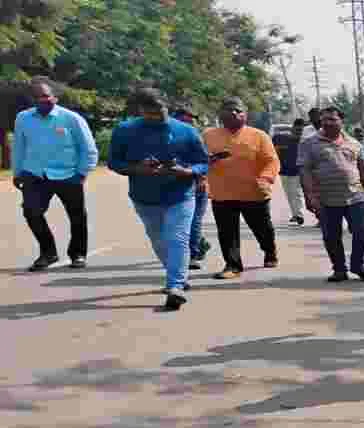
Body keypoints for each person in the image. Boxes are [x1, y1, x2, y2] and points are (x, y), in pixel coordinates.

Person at [107, 88, 209, 310]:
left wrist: (188, 171)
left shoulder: (186, 131)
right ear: (141, 111)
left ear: (167, 106)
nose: (157, 116)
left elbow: (203, 162)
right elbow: (114, 162)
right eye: (151, 113)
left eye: (160, 110)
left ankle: (175, 286)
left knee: (178, 237)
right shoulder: (125, 130)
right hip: (144, 197)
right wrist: (137, 168)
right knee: (159, 240)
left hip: (180, 194)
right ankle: (176, 273)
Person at [12, 76, 97, 271]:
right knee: (31, 212)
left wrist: (82, 173)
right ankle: (48, 253)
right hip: (35, 174)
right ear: (32, 101)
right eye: (39, 97)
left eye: (47, 96)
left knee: (76, 216)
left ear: (55, 97)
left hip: (69, 175)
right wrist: (18, 173)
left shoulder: (71, 118)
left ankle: (78, 254)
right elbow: (19, 147)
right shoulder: (23, 118)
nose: (45, 100)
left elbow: (88, 148)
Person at [203, 97, 281, 279]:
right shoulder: (208, 135)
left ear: (245, 115)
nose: (234, 113)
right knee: (227, 232)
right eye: (229, 109)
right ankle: (232, 265)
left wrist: (265, 178)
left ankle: (270, 250)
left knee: (262, 229)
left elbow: (272, 161)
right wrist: (208, 162)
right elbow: (198, 159)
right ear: (220, 114)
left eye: (238, 110)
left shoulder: (259, 135)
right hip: (222, 193)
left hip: (254, 192)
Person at [299, 107, 364, 282]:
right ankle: (339, 269)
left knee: (362, 231)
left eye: (332, 119)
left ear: (342, 121)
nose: (327, 122)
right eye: (324, 119)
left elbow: (363, 171)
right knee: (331, 236)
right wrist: (310, 196)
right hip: (326, 198)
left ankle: (358, 265)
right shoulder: (309, 143)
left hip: (356, 196)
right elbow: (305, 172)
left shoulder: (354, 143)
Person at [172, 108, 213, 268]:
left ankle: (193, 255)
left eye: (192, 120)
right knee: (179, 223)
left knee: (194, 221)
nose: (190, 122)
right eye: (185, 119)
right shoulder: (168, 138)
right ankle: (200, 243)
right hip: (173, 186)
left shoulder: (198, 137)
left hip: (197, 185)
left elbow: (204, 161)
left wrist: (202, 178)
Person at [273, 118, 307, 225]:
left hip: (298, 172)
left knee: (296, 193)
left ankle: (299, 215)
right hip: (284, 171)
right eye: (297, 130)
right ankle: (295, 214)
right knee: (289, 194)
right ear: (293, 129)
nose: (298, 133)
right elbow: (274, 152)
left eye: (301, 131)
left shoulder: (305, 141)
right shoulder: (281, 138)